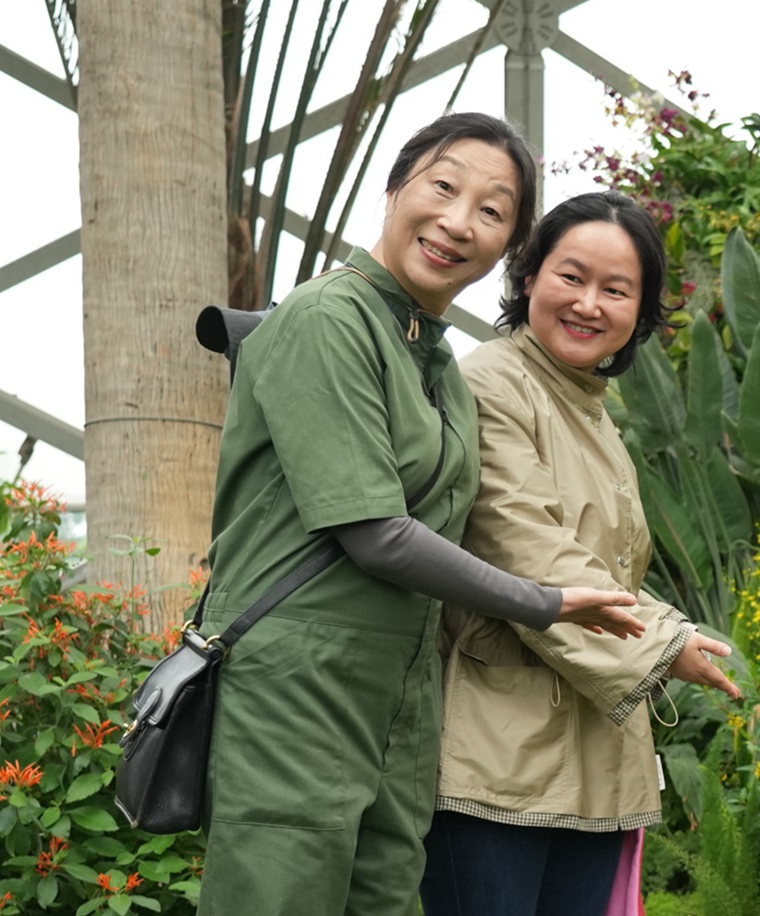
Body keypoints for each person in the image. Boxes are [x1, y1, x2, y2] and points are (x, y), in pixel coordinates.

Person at [197, 113, 648, 916]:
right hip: (299, 684)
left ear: (508, 246)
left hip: (403, 695)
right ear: (397, 183)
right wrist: (542, 600)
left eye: (493, 210)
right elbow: (373, 533)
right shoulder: (326, 318)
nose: (457, 221)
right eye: (444, 186)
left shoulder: (434, 357)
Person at [418, 192, 742, 915]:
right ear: (529, 276)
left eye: (616, 290)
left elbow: (609, 570)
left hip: (593, 759)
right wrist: (666, 645)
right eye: (572, 276)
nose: (590, 304)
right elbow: (524, 546)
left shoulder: (593, 411)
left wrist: (677, 632)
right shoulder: (489, 385)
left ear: (640, 311)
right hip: (495, 760)